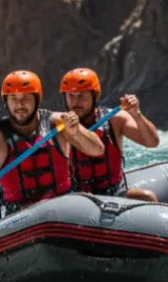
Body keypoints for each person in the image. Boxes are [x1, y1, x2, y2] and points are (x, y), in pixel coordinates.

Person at [0, 70, 104, 216]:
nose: (19, 105)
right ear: (6, 101)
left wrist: (77, 131)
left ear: (37, 100)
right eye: (13, 98)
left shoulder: (59, 124)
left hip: (62, 207)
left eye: (25, 98)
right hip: (19, 215)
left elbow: (97, 149)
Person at [60, 67, 160, 201]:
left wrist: (137, 115)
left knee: (147, 197)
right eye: (70, 96)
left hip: (114, 193)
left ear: (94, 96)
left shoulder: (115, 119)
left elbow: (152, 142)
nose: (75, 102)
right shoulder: (59, 126)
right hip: (78, 197)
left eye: (81, 96)